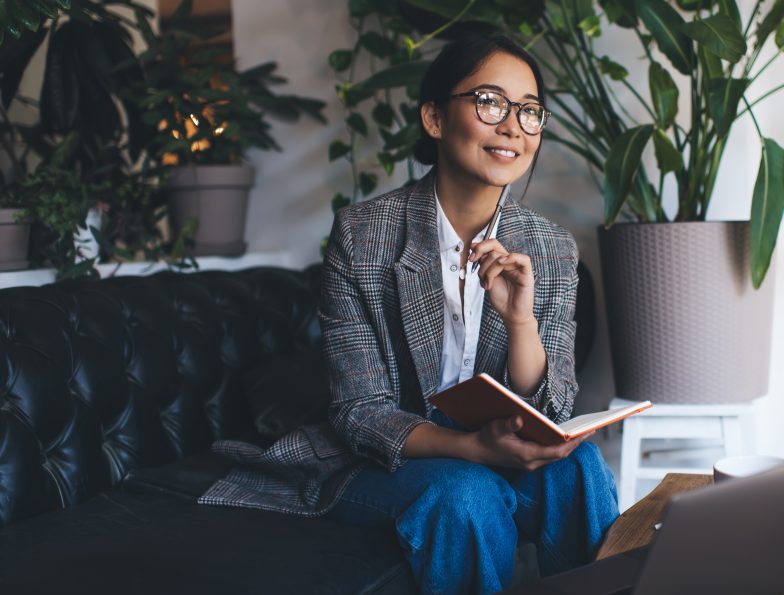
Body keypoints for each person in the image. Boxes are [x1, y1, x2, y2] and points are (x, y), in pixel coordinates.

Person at [199, 34, 618, 595]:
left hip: (496, 438)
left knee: (581, 470)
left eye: (529, 111)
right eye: (491, 102)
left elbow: (555, 408)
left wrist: (521, 321)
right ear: (435, 118)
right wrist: (470, 448)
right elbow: (358, 411)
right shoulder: (364, 235)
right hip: (390, 452)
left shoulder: (549, 248)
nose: (513, 127)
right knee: (465, 491)